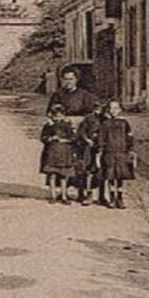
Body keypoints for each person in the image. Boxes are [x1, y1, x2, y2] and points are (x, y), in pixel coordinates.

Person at [47, 66, 102, 202]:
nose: (68, 82)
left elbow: (93, 113)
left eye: (71, 79)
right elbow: (49, 113)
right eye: (65, 79)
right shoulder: (58, 95)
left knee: (82, 161)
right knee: (64, 161)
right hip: (63, 132)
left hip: (81, 131)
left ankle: (83, 191)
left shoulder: (85, 95)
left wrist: (82, 123)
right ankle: (63, 191)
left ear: (77, 79)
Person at [98, 99, 135, 209]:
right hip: (109, 152)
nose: (113, 111)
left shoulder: (124, 123)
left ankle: (120, 198)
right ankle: (111, 198)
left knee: (120, 177)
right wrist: (100, 150)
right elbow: (101, 138)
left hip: (121, 152)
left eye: (116, 108)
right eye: (111, 108)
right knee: (110, 176)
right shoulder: (105, 123)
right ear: (108, 110)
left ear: (120, 109)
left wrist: (131, 149)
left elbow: (129, 137)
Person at [40, 103, 80, 204]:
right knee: (52, 175)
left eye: (60, 115)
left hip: (64, 153)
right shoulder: (48, 126)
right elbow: (42, 138)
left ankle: (64, 195)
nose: (58, 118)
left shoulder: (67, 125)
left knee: (64, 175)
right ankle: (53, 195)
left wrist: (65, 140)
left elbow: (74, 138)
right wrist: (50, 138)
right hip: (51, 153)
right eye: (55, 116)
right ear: (52, 115)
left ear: (63, 115)